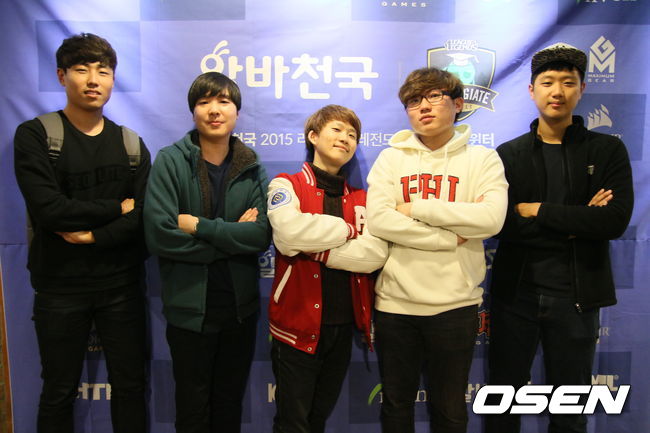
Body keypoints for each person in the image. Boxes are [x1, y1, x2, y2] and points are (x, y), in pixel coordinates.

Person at [486, 43, 634, 433]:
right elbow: (501, 225)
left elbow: (613, 222)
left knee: (570, 411)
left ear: (581, 89)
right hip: (515, 297)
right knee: (502, 407)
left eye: (568, 83)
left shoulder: (607, 150)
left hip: (577, 298)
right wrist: (580, 220)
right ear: (531, 90)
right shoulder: (509, 154)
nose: (557, 91)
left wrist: (538, 210)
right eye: (548, 82)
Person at [13, 33, 149, 433]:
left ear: (113, 79)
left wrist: (93, 236)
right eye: (81, 69)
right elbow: (49, 210)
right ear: (62, 76)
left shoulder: (131, 144)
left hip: (121, 286)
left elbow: (143, 217)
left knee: (130, 386)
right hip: (59, 287)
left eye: (103, 71)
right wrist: (115, 208)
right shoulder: (36, 136)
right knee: (58, 390)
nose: (93, 80)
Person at [366, 67, 508, 433]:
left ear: (458, 104)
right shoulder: (391, 159)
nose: (424, 107)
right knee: (396, 408)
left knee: (450, 411)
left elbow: (491, 219)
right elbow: (380, 221)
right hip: (396, 306)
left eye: (434, 96)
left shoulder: (482, 160)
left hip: (455, 307)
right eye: (414, 101)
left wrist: (415, 208)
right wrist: (447, 236)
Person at [143, 71, 270, 433]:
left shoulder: (251, 165)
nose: (214, 110)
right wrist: (231, 240)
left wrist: (200, 226)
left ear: (237, 112)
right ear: (193, 111)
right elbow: (160, 236)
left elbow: (261, 235)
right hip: (189, 313)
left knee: (229, 406)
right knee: (192, 408)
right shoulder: (171, 161)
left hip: (239, 311)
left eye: (224, 101)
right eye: (204, 102)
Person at [267, 104, 387, 433]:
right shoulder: (286, 184)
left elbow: (374, 255)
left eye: (352, 135)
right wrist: (347, 230)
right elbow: (288, 235)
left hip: (343, 327)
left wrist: (316, 249)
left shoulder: (362, 198)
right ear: (313, 136)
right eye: (336, 129)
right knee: (292, 423)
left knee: (318, 419)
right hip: (296, 326)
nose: (345, 138)